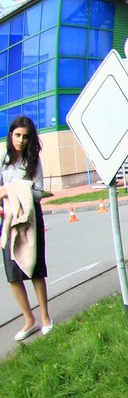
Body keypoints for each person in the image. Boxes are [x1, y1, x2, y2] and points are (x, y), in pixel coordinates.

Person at [1, 116, 54, 340]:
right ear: (11, 135)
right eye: (17, 135)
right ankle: (29, 319)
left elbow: (38, 193)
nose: (21, 140)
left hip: (30, 220)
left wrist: (12, 190)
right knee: (12, 275)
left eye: (25, 136)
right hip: (8, 222)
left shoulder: (34, 161)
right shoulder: (4, 160)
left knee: (34, 269)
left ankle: (45, 317)